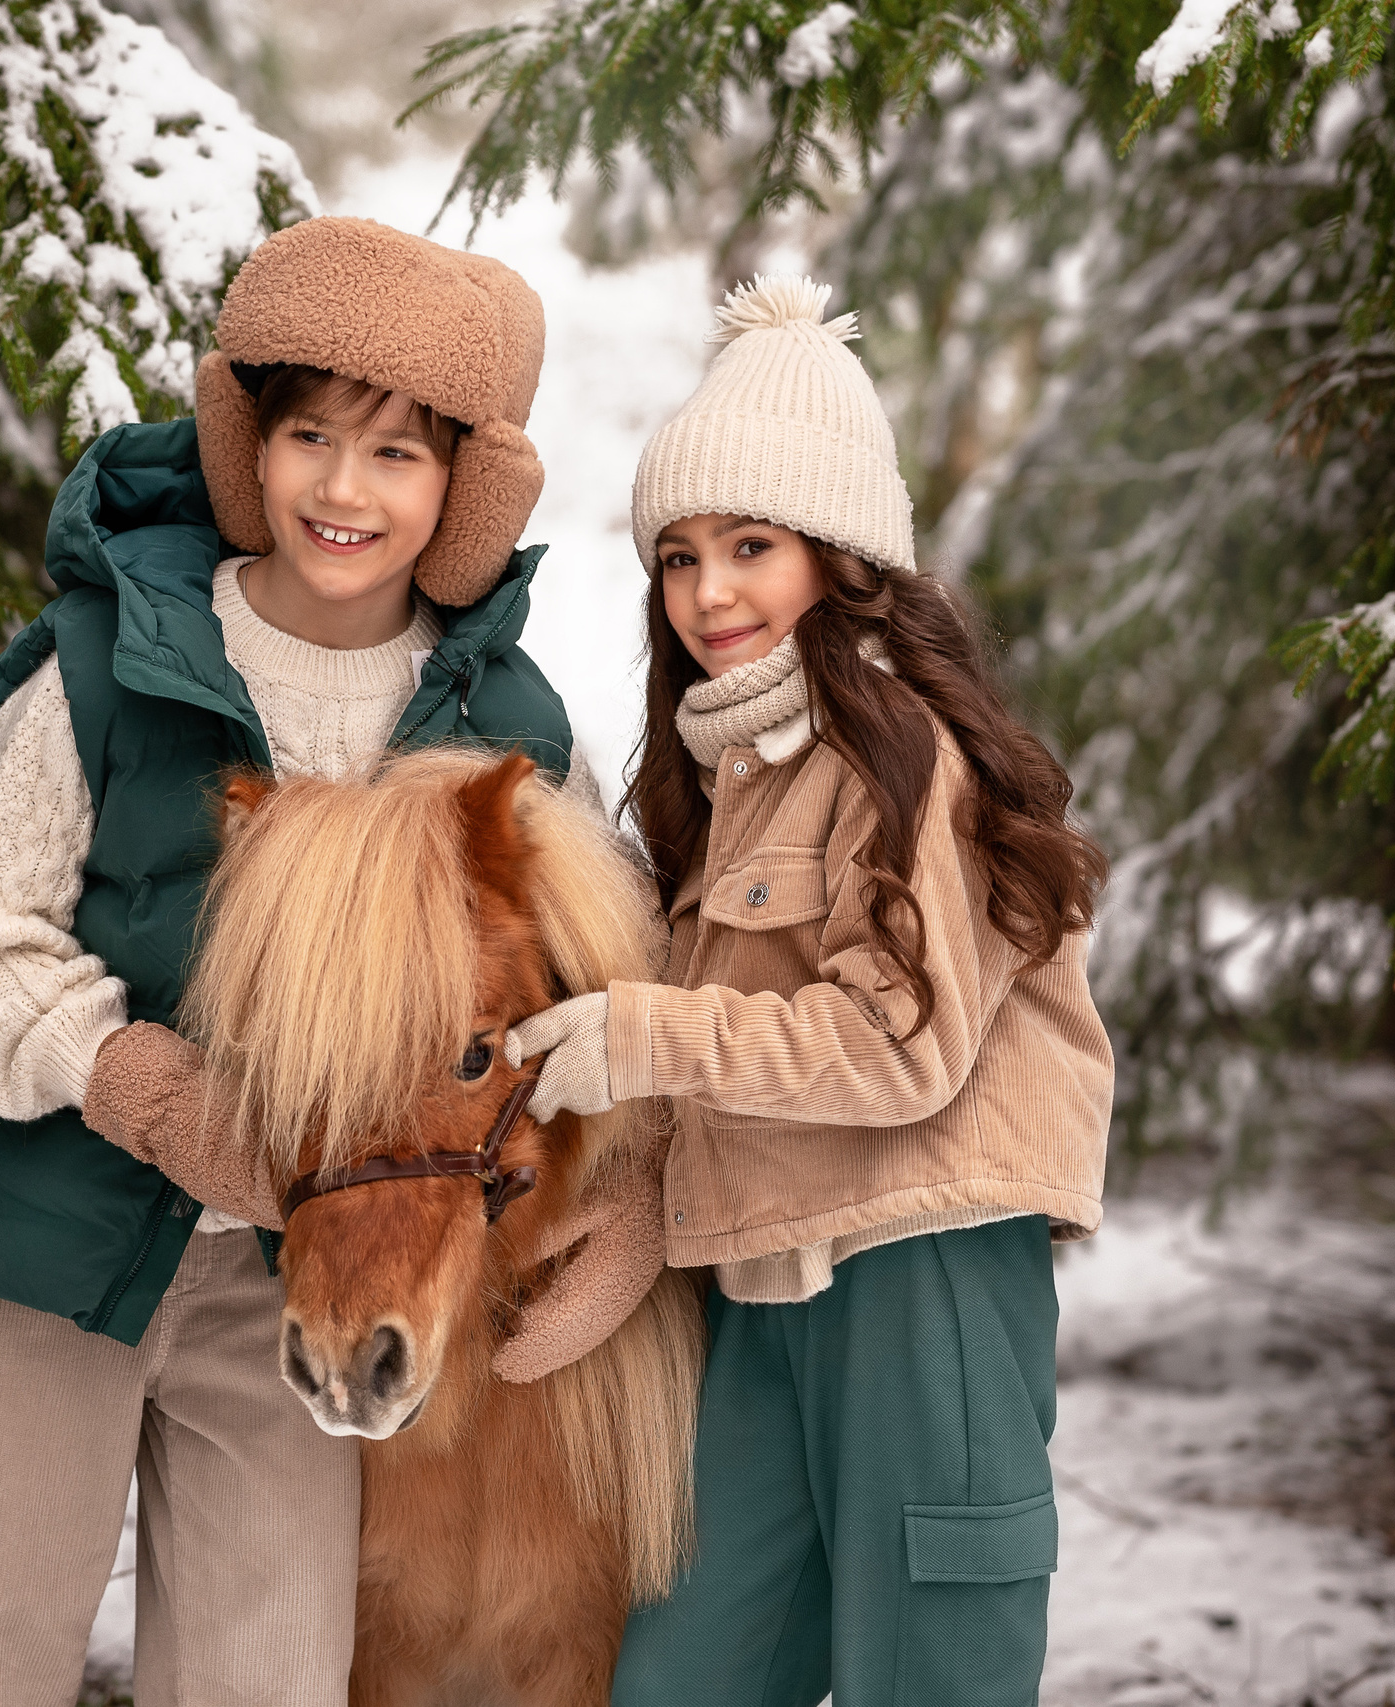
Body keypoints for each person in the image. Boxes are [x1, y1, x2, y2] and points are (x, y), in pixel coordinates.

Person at [0, 215, 603, 1707]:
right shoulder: (108, 660)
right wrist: (141, 1086)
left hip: (299, 1265)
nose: (342, 488)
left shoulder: (503, 725)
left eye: (398, 455)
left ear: (459, 492)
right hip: (36, 1231)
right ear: (251, 442)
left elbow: (567, 998)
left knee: (269, 1675)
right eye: (311, 435)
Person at [498, 274, 1115, 1706]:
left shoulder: (906, 758)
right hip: (766, 1283)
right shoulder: (727, 778)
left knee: (928, 1676)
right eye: (680, 556)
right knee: (682, 1679)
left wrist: (638, 1038)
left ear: (842, 557)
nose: (710, 593)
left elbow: (900, 1049)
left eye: (753, 546)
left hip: (922, 1268)